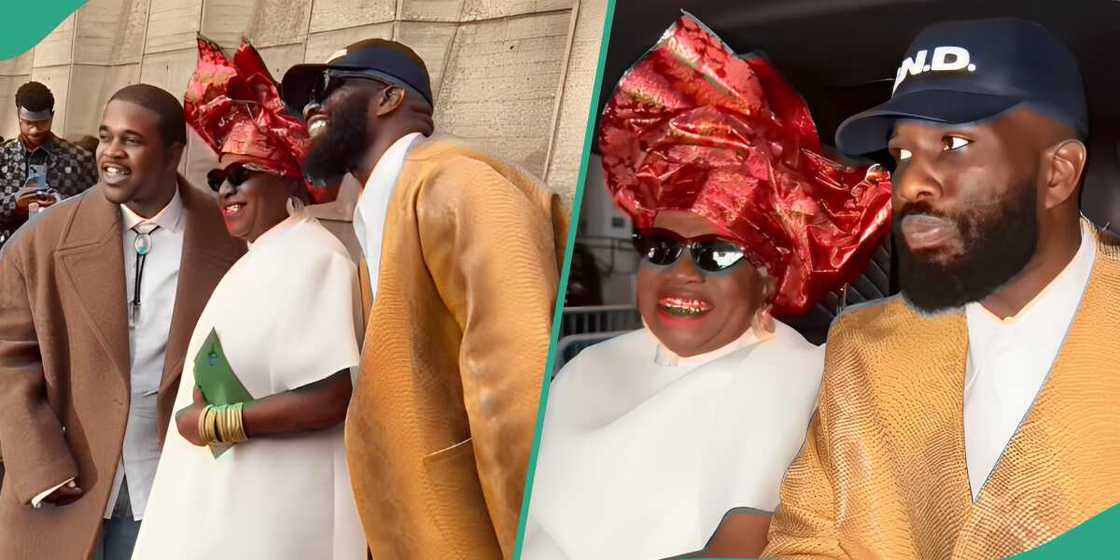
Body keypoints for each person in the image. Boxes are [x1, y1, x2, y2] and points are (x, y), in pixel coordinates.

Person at [521, 15, 892, 560]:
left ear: (768, 275)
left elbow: (741, 547)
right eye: (661, 248)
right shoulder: (584, 365)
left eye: (717, 253)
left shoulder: (788, 369)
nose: (682, 272)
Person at [763, 18, 1120, 559]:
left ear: (1058, 174)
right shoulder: (863, 347)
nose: (906, 184)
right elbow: (804, 542)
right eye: (901, 154)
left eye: (954, 143)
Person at [280, 38, 568, 558]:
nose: (311, 109)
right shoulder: (384, 208)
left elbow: (517, 392)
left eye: (328, 87)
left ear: (389, 98)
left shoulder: (460, 186)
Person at [131, 38, 365, 560]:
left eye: (241, 175)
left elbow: (330, 397)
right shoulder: (257, 257)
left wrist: (213, 422)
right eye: (217, 178)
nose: (226, 190)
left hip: (279, 504)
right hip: (230, 494)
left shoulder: (317, 256)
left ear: (287, 184)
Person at [0, 83, 244, 559]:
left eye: (131, 140)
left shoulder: (230, 242)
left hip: (178, 484)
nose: (110, 153)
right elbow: (8, 357)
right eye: (105, 136)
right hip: (65, 484)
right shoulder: (40, 241)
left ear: (174, 152)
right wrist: (38, 462)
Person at [0, 81, 98, 246]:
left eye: (42, 122)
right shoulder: (3, 157)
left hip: (57, 253)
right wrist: (14, 203)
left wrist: (61, 203)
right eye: (28, 123)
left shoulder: (79, 160)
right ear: (18, 116)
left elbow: (94, 214)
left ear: (52, 116)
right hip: (8, 254)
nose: (34, 130)